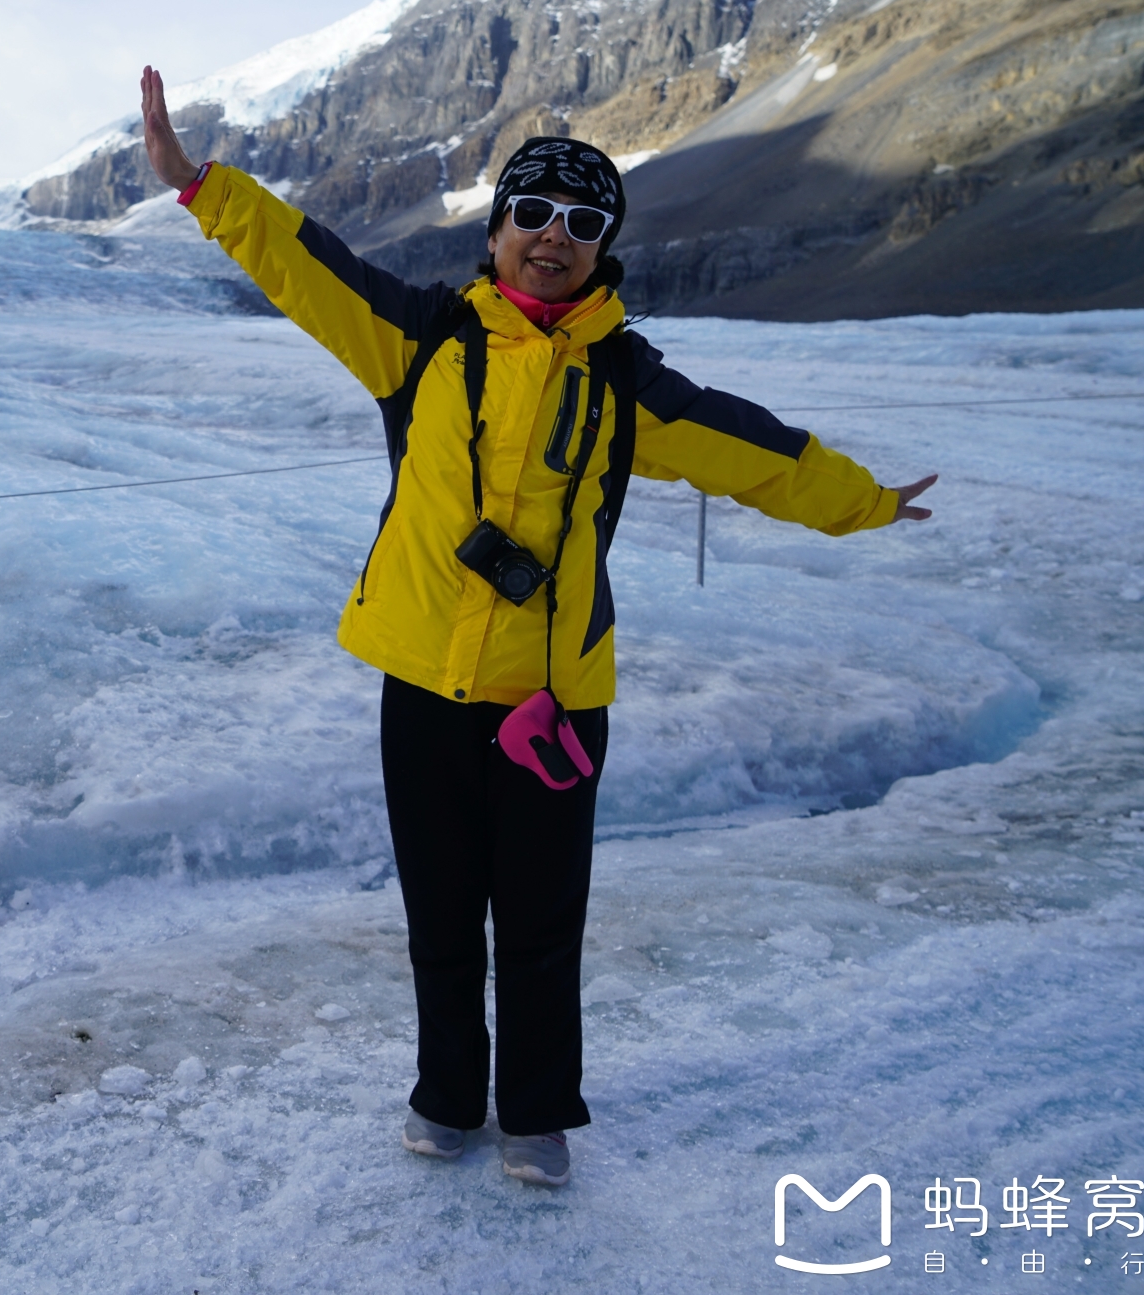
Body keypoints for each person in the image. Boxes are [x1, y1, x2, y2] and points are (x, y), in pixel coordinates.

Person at [138, 66, 935, 1187]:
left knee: (541, 919)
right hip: (420, 680)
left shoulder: (624, 379)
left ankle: (536, 1114)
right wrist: (197, 185)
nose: (550, 237)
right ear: (496, 227)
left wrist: (862, 499)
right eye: (531, 213)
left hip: (551, 697)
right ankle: (446, 1100)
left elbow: (746, 449)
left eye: (579, 221)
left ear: (601, 246)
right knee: (439, 916)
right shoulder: (416, 340)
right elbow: (301, 264)